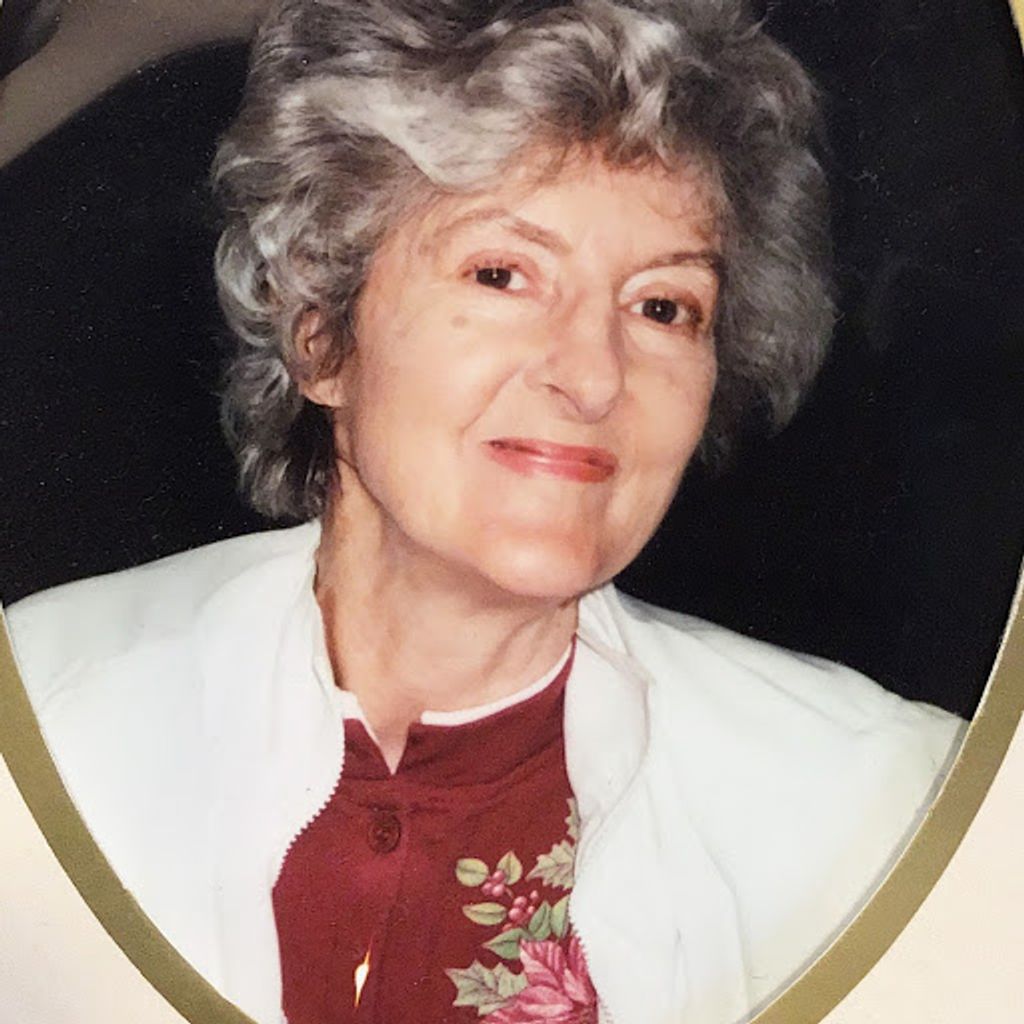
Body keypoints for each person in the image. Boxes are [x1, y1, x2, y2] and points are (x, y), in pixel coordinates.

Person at [4, 1, 964, 1023]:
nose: (594, 377)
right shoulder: (46, 713)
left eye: (662, 306)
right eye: (502, 275)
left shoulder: (883, 805)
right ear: (323, 338)